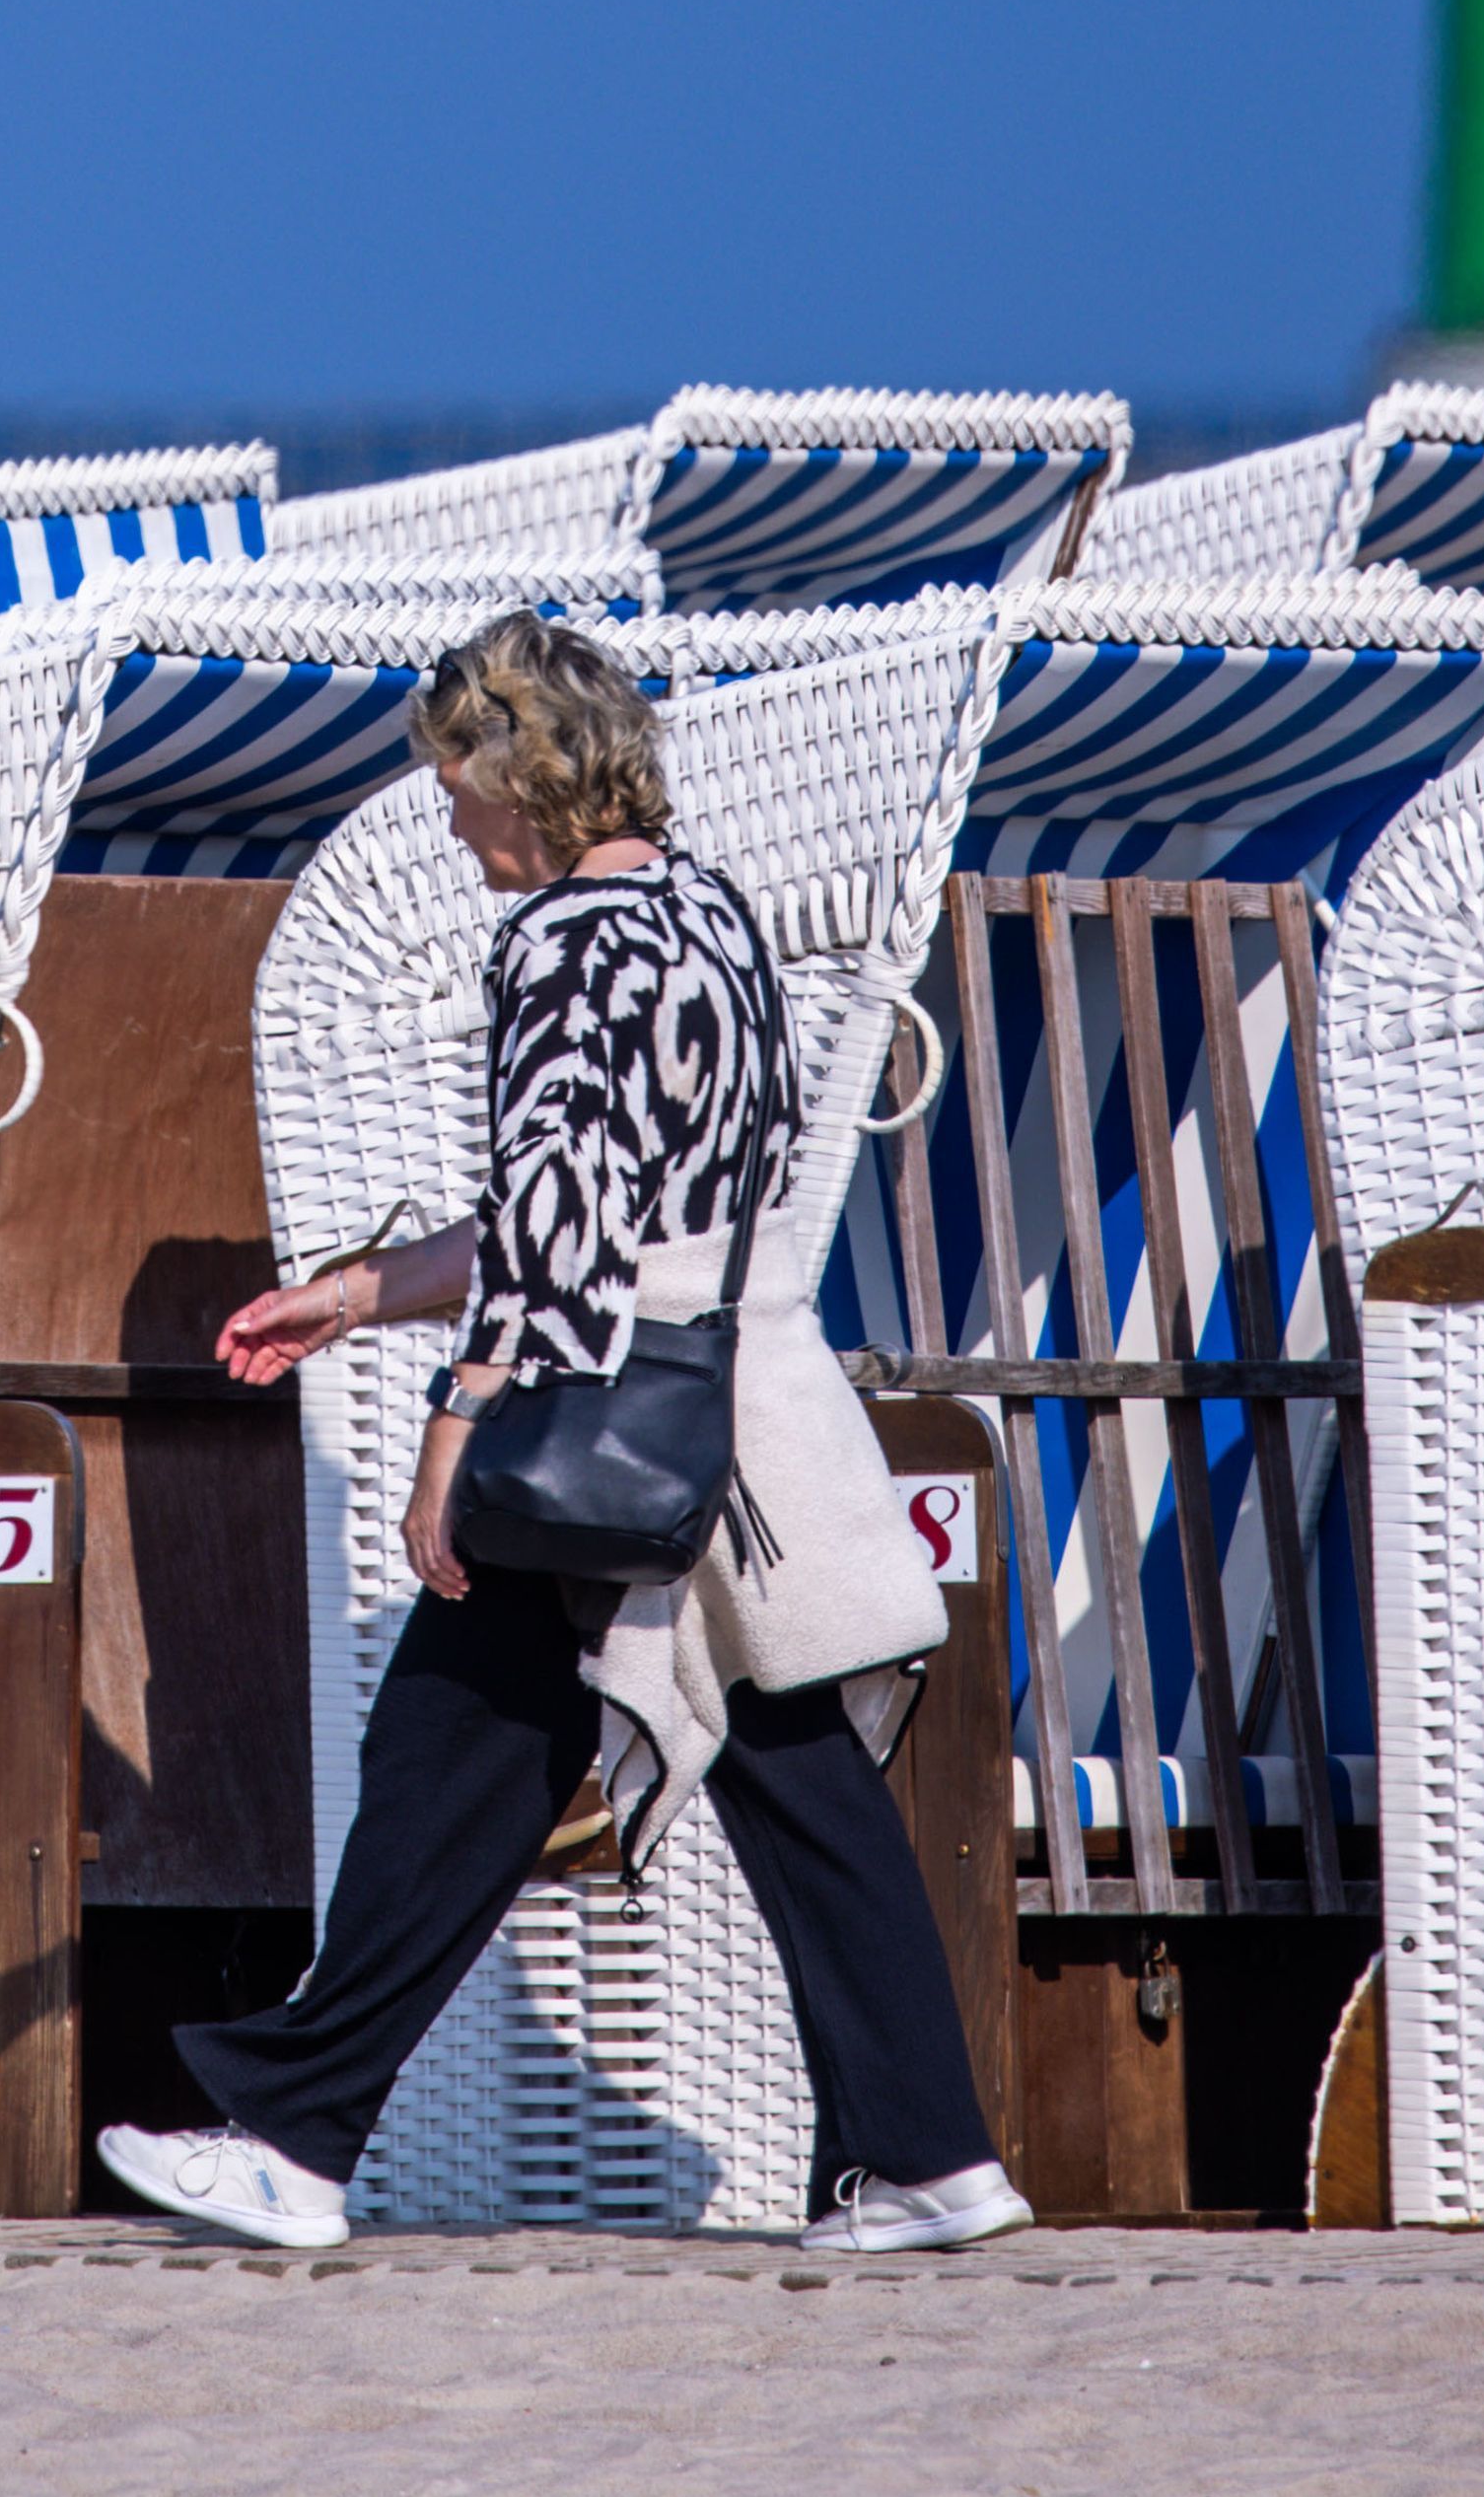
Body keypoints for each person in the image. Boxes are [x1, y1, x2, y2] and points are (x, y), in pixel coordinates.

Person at [93, 611, 1027, 2257]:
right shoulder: (715, 917)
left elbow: (551, 1228)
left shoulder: (558, 945)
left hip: (587, 1409)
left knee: (443, 1755)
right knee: (795, 1771)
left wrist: (454, 1426)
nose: (450, 814)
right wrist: (358, 1293)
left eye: (460, 779)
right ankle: (934, 2154)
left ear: (526, 772)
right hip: (730, 1405)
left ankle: (298, 2143)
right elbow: (649, 1201)